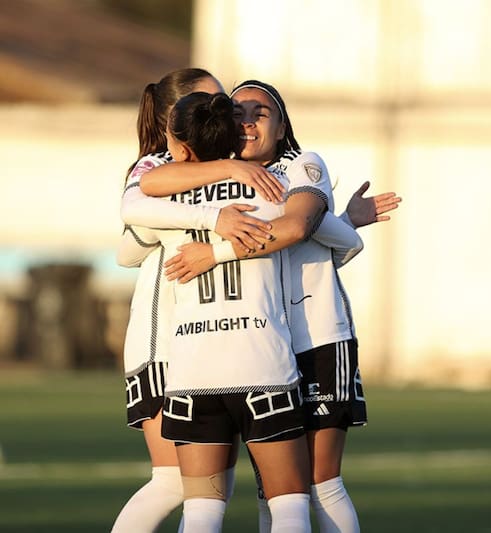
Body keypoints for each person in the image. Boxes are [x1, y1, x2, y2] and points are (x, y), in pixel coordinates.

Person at [138, 79, 402, 533]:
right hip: (263, 346)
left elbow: (298, 227)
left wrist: (213, 250)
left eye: (260, 112)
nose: (246, 121)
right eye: (235, 113)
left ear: (282, 128)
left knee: (319, 483)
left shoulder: (300, 165)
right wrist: (341, 226)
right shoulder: (234, 175)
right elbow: (329, 237)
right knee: (279, 493)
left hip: (316, 337)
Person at [112, 68, 283, 533]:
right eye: (214, 101)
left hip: (207, 345)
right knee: (173, 482)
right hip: (162, 344)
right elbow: (130, 236)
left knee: (222, 492)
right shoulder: (154, 167)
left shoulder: (240, 167)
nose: (224, 110)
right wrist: (214, 214)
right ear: (177, 117)